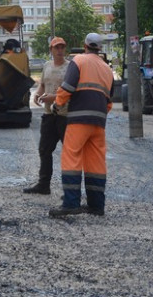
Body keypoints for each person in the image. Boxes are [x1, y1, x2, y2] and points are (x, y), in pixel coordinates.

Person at [49, 33, 114, 218]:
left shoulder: (79, 61)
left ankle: (70, 203)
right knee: (96, 162)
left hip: (79, 120)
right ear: (99, 48)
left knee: (71, 157)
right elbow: (109, 100)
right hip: (98, 122)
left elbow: (68, 87)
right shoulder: (107, 69)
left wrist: (57, 105)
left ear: (85, 45)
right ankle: (96, 205)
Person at [24, 37, 70, 195]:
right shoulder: (47, 66)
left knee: (69, 153)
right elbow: (42, 84)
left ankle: (69, 190)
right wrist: (38, 94)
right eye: (56, 47)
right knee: (44, 150)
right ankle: (44, 185)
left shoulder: (70, 68)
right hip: (49, 114)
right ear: (51, 50)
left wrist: (53, 98)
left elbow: (71, 91)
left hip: (65, 116)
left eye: (62, 47)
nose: (59, 50)